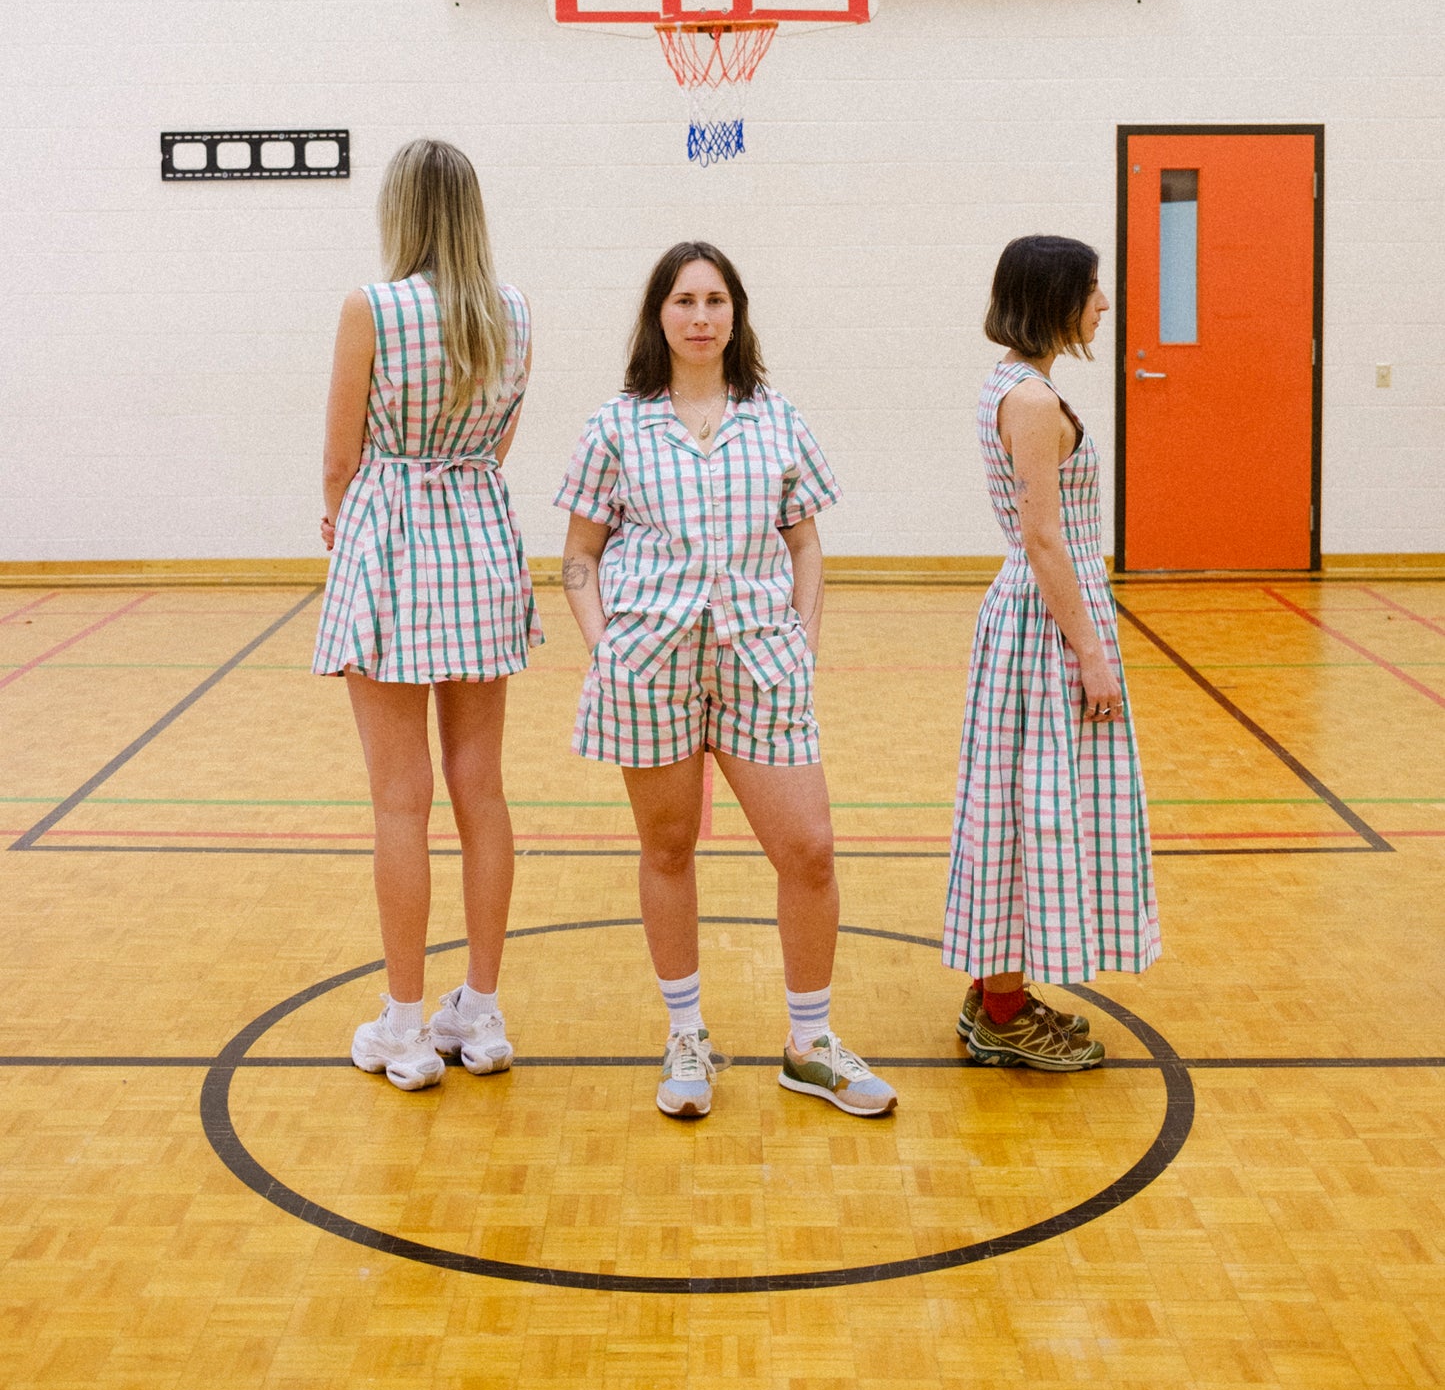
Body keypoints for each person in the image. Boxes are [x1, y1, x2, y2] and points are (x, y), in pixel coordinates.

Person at [556, 242, 896, 1122]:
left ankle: (809, 1043)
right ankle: (685, 1035)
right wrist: (607, 650)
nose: (700, 316)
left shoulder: (774, 418)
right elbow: (579, 558)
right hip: (650, 668)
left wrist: (804, 636)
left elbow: (805, 542)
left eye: (714, 300)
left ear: (735, 313)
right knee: (668, 850)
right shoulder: (616, 426)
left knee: (808, 850)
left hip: (761, 663)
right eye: (683, 300)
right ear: (657, 316)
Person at [313, 139, 541, 1091]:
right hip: (481, 540)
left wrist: (341, 523)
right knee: (478, 789)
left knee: (398, 799)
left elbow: (340, 454)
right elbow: (499, 444)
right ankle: (479, 1016)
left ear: (399, 210)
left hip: (393, 540)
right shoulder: (514, 315)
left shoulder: (372, 306)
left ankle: (404, 1029)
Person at [945, 234, 1160, 1070]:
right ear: (1054, 297)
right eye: (1093, 290)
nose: (1102, 304)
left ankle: (998, 993)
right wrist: (1093, 656)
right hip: (1044, 625)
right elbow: (1043, 540)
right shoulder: (1030, 401)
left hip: (1037, 620)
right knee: (1022, 812)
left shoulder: (1015, 384)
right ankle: (1000, 1011)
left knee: (1019, 807)